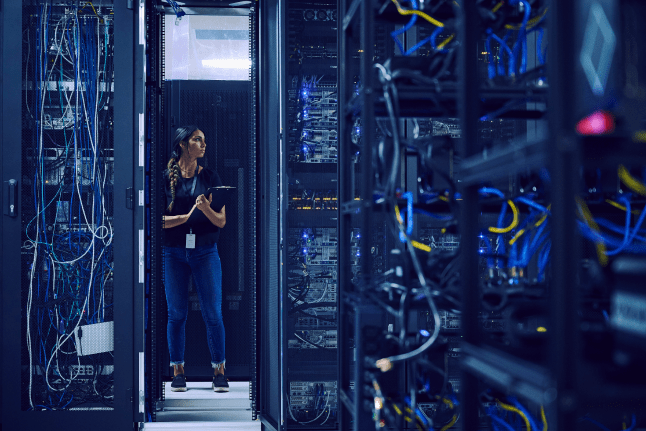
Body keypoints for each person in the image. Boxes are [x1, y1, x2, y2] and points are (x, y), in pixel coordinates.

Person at [162, 125, 228, 392]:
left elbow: (221, 221)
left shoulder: (211, 176)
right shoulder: (166, 178)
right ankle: (178, 370)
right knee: (176, 314)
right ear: (182, 145)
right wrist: (188, 216)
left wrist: (204, 209)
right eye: (197, 140)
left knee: (213, 313)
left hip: (205, 252)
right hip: (174, 253)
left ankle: (219, 371)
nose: (203, 144)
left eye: (204, 140)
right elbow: (157, 221)